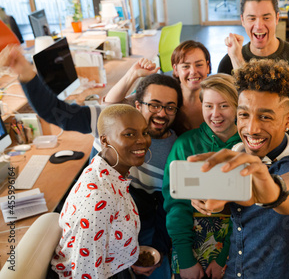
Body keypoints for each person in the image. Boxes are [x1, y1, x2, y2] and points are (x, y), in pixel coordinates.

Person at [0, 46, 181, 278]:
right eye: (154, 105)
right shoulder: (112, 122)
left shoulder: (171, 150)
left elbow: (168, 207)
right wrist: (24, 72)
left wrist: (156, 248)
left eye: (170, 107)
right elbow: (56, 112)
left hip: (132, 229)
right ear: (136, 104)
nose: (161, 113)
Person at [189, 59, 289, 279]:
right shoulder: (234, 155)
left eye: (265, 117)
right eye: (244, 115)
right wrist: (209, 198)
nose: (251, 128)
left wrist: (267, 184)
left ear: (288, 121)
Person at [49, 104, 151, 279]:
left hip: (113, 266)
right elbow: (86, 273)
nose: (142, 140)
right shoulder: (99, 199)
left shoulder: (106, 168)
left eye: (144, 132)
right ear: (104, 141)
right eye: (129, 134)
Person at [163, 74, 241, 279]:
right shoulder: (185, 145)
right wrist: (186, 259)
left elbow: (249, 209)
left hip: (238, 243)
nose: (215, 114)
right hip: (188, 242)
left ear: (238, 106)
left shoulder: (248, 147)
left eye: (224, 106)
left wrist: (225, 256)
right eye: (208, 106)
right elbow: (175, 204)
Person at [217, 0, 289, 97]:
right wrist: (236, 60)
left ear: (277, 18)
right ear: (243, 20)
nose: (258, 25)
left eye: (266, 18)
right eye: (252, 18)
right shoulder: (228, 63)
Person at [105, 40, 211, 135]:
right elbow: (110, 106)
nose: (193, 71)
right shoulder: (166, 94)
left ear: (208, 67)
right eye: (185, 66)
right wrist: (132, 74)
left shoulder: (217, 97)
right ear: (175, 70)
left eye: (199, 65)